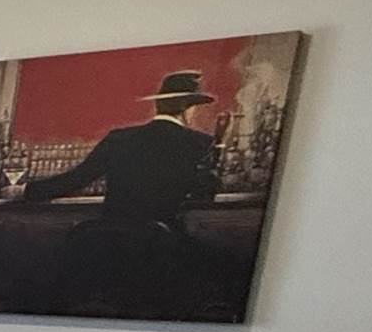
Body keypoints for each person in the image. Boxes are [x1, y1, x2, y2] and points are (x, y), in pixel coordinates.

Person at [14, 69, 223, 225]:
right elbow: (206, 191)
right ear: (188, 109)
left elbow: (75, 180)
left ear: (158, 105)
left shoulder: (119, 139)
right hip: (161, 250)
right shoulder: (201, 143)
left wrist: (23, 191)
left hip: (111, 245)